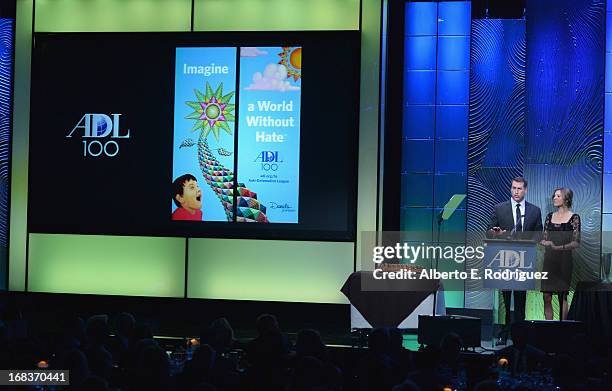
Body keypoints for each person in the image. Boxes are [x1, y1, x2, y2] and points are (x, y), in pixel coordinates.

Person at [488, 177, 543, 344]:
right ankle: (503, 334)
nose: (516, 191)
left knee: (521, 301)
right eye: (513, 188)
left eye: (519, 188)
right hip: (505, 260)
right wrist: (495, 233)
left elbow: (539, 233)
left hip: (524, 261)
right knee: (505, 300)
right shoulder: (499, 209)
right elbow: (489, 232)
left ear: (525, 190)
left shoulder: (534, 210)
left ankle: (520, 337)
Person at [540, 187, 580, 320]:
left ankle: (562, 328)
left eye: (558, 196)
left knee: (562, 296)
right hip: (549, 261)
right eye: (554, 196)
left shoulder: (574, 218)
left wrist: (557, 247)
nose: (554, 198)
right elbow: (544, 238)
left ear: (566, 199)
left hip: (564, 261)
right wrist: (544, 242)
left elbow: (576, 242)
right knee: (546, 296)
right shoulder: (549, 217)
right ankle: (549, 329)